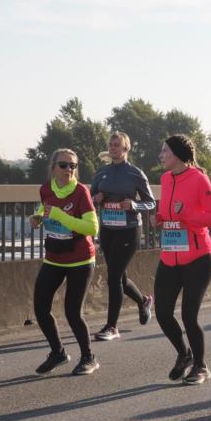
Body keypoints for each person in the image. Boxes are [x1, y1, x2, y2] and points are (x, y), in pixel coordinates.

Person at [152, 135, 211, 384]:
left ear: (178, 154)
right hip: (170, 257)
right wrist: (159, 218)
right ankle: (184, 354)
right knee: (162, 313)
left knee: (188, 316)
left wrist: (188, 215)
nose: (161, 156)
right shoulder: (165, 179)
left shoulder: (198, 179)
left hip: (198, 258)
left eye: (165, 151)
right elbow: (169, 212)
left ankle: (201, 366)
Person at [31, 149, 101, 375]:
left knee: (72, 311)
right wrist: (38, 217)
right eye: (64, 165)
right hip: (54, 256)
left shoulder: (81, 192)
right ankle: (57, 352)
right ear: (53, 167)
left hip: (81, 258)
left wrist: (61, 216)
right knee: (40, 307)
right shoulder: (46, 189)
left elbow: (92, 228)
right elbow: (45, 209)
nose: (69, 169)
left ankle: (89, 357)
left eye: (73, 165)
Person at [90, 132, 157, 341]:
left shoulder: (135, 173)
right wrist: (96, 198)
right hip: (107, 229)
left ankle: (112, 326)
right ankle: (144, 301)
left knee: (114, 277)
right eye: (110, 145)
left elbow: (150, 202)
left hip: (128, 229)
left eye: (117, 145)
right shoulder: (102, 172)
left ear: (126, 148)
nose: (112, 148)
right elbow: (89, 199)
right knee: (119, 277)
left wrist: (134, 205)